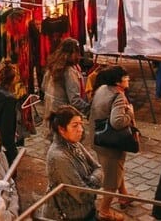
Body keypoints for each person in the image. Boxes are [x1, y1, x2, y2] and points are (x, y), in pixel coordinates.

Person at [89, 66, 135, 220]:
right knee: (111, 179)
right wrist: (129, 113)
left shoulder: (102, 88)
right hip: (111, 143)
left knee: (115, 170)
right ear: (118, 82)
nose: (128, 79)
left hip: (98, 138)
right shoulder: (118, 96)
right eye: (125, 77)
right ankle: (104, 210)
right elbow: (117, 122)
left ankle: (124, 196)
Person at [44, 105, 104, 221]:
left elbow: (98, 168)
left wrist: (89, 182)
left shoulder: (74, 143)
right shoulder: (59, 157)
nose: (81, 129)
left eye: (81, 124)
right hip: (70, 216)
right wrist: (94, 182)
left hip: (86, 211)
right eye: (75, 125)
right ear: (62, 129)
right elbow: (83, 195)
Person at [43, 38, 90, 117]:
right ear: (73, 53)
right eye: (77, 52)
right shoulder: (69, 71)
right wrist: (89, 108)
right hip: (63, 114)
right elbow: (74, 99)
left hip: (51, 110)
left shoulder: (53, 65)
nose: (79, 55)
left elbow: (43, 86)